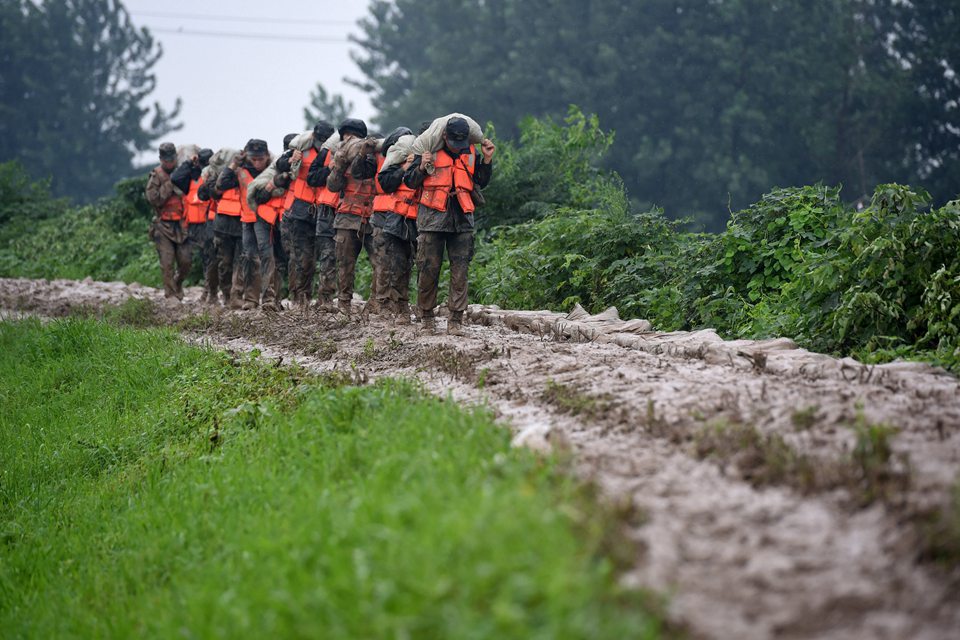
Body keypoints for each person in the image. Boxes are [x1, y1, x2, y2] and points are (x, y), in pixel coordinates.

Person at [403, 117, 495, 334]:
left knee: (460, 271)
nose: (457, 146)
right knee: (427, 269)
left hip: (462, 219)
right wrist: (422, 168)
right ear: (444, 136)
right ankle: (426, 319)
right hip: (432, 219)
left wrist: (488, 160)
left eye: (461, 142)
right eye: (454, 142)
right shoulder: (427, 150)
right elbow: (409, 181)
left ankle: (455, 321)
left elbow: (480, 180)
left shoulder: (471, 152)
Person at [277, 121, 339, 309]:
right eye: (319, 140)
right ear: (313, 137)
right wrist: (290, 160)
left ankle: (324, 298)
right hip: (301, 210)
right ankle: (299, 296)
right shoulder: (301, 148)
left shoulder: (334, 152)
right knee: (302, 258)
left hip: (325, 208)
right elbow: (279, 165)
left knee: (327, 256)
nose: (321, 144)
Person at [326, 118, 380, 317]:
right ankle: (344, 304)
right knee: (345, 264)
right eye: (346, 135)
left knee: (380, 262)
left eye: (351, 135)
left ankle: (375, 302)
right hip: (348, 217)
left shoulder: (374, 156)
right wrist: (339, 165)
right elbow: (332, 186)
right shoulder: (341, 159)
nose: (348, 139)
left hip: (373, 217)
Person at [217, 139, 271, 310]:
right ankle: (251, 299)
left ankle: (270, 299)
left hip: (268, 220)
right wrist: (233, 165)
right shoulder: (241, 171)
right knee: (249, 259)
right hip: (247, 221)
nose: (257, 163)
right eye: (253, 159)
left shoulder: (274, 169)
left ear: (267, 156)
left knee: (269, 258)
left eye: (260, 159)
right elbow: (221, 185)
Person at [372, 126, 419, 324]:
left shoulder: (417, 158)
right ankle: (385, 304)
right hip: (390, 217)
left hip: (411, 217)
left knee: (406, 264)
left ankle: (401, 304)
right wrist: (403, 169)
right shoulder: (389, 164)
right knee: (387, 263)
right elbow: (386, 183)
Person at [245, 134, 296, 312]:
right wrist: (273, 184)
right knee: (266, 256)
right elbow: (257, 196)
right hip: (263, 217)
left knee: (282, 259)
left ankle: (277, 298)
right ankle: (267, 299)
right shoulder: (275, 168)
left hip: (283, 220)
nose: (257, 162)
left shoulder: (296, 170)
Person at [144, 142, 191, 300]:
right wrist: (170, 183)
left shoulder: (183, 171)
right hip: (163, 225)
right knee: (167, 262)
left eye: (172, 159)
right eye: (166, 160)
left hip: (182, 224)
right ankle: (171, 295)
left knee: (186, 261)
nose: (169, 163)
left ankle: (178, 283)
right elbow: (153, 199)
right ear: (161, 159)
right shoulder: (156, 175)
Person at [172, 148, 214, 302]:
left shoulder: (214, 176)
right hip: (189, 225)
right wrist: (189, 162)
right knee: (184, 260)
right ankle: (177, 283)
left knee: (209, 259)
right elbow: (175, 178)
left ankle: (208, 292)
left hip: (207, 224)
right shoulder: (191, 175)